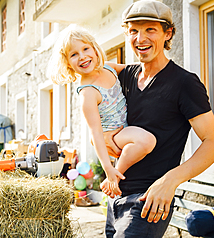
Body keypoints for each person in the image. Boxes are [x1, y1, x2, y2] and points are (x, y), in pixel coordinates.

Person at [101, 0, 214, 237]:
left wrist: (170, 180)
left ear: (168, 33)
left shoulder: (184, 83)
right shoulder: (125, 75)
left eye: (150, 30)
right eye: (134, 31)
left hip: (149, 200)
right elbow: (92, 69)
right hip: (115, 197)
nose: (140, 38)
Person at [49, 25, 157, 196]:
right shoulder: (88, 93)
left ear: (95, 49)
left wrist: (155, 64)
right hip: (114, 136)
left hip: (126, 128)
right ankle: (114, 176)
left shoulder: (108, 68)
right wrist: (107, 168)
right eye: (74, 54)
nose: (82, 57)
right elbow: (96, 134)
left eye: (85, 49)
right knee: (147, 141)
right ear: (68, 63)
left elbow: (133, 69)